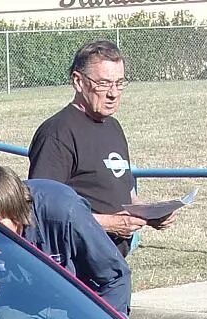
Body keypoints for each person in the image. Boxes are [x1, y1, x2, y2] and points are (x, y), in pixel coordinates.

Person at [28, 40, 173, 256]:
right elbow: (43, 211)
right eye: (104, 84)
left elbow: (124, 192)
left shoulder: (113, 126)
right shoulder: (57, 133)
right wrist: (111, 224)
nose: (114, 93)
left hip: (112, 264)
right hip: (76, 266)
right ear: (78, 81)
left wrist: (151, 213)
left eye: (119, 83)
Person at [0, 165, 131, 317]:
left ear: (17, 215)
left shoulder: (65, 212)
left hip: (78, 303)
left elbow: (114, 278)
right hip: (21, 304)